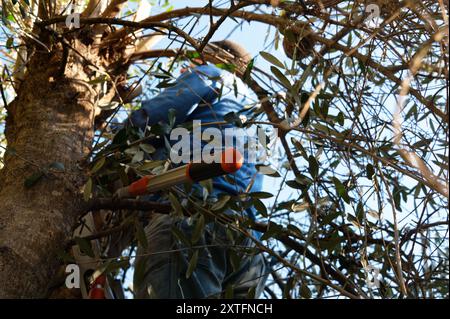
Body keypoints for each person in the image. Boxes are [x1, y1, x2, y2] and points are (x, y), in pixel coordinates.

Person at [122, 40, 268, 299]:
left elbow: (156, 114)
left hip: (192, 219)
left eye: (190, 62)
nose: (183, 70)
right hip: (247, 244)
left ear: (211, 58)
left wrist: (112, 143)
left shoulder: (212, 74)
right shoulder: (257, 114)